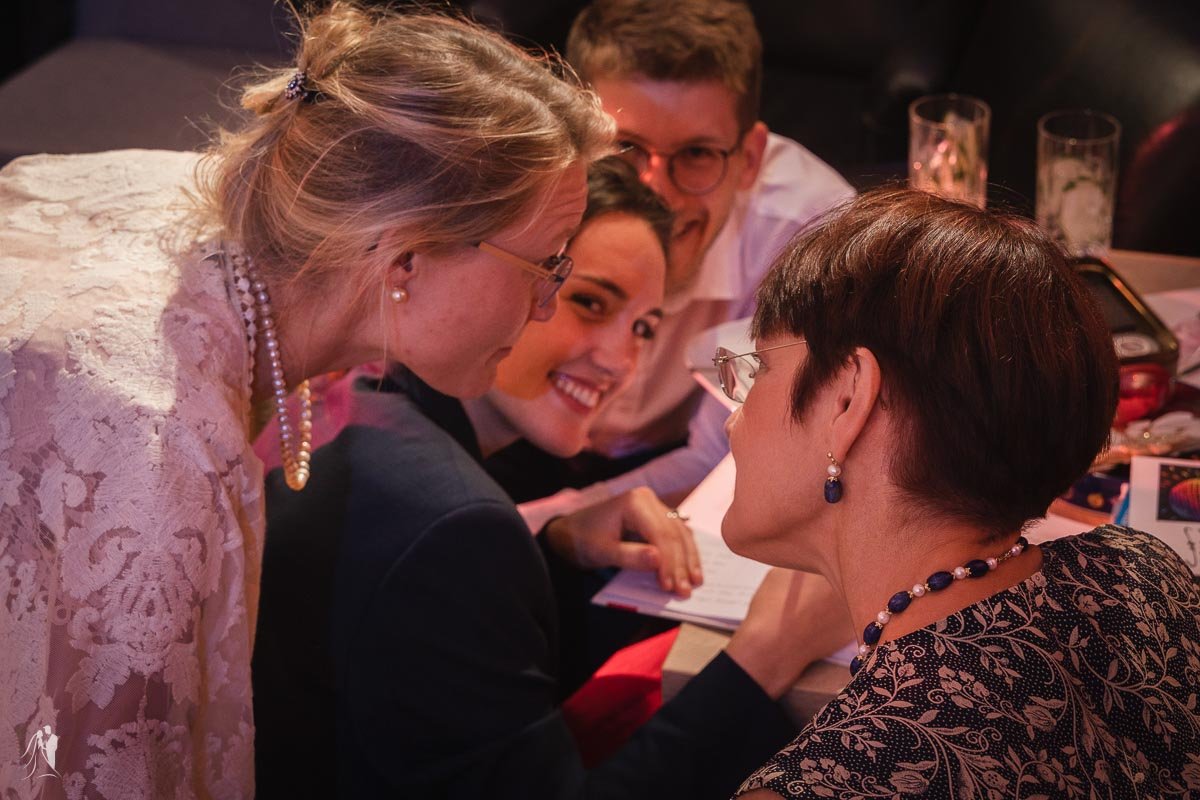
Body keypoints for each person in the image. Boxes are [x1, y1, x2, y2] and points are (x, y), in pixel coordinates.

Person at [0, 3, 613, 795]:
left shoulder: (233, 215)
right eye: (546, 265)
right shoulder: (161, 452)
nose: (545, 308)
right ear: (408, 257)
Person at [251, 158, 849, 799]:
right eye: (587, 302)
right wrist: (767, 656)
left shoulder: (357, 403)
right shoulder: (454, 522)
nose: (620, 361)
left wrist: (557, 542)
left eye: (644, 328)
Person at [715, 187, 1200, 798]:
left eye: (759, 366)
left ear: (848, 399)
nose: (734, 417)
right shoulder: (1146, 571)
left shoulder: (836, 784)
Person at [503, 0, 855, 529]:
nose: (655, 194)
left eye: (695, 154)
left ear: (750, 160)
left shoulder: (808, 238)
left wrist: (549, 524)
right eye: (623, 148)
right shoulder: (515, 177)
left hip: (672, 472)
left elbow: (725, 456)